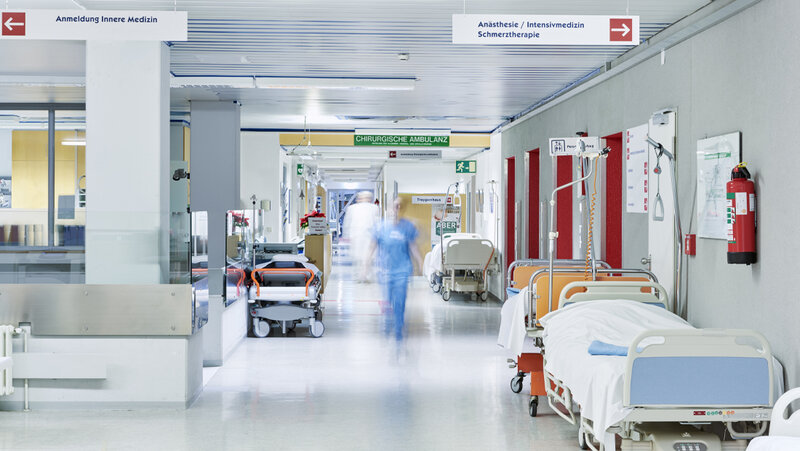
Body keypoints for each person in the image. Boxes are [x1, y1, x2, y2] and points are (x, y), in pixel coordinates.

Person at [371, 197, 423, 341]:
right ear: (388, 208)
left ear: (403, 209)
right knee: (387, 301)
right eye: (394, 206)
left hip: (402, 271)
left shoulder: (408, 227)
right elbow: (372, 246)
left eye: (400, 206)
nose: (396, 209)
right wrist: (365, 265)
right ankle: (388, 324)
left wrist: (420, 262)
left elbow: (413, 246)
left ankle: (399, 329)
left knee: (399, 302)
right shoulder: (380, 227)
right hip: (385, 271)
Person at [342, 191, 380, 282]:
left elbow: (377, 222)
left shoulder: (374, 208)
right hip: (357, 237)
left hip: (369, 237)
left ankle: (367, 276)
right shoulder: (352, 208)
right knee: (358, 258)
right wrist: (346, 235)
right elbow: (347, 222)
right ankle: (359, 276)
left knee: (368, 257)